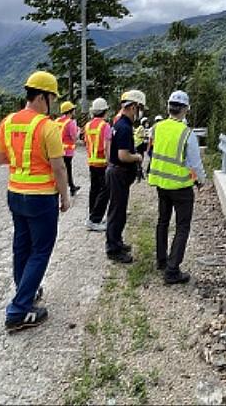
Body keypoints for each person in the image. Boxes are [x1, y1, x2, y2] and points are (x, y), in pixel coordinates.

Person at [0, 71, 73, 332]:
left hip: (15, 193)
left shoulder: (7, 122)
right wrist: (65, 196)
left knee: (22, 245)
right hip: (41, 197)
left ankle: (24, 292)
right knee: (40, 250)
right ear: (42, 97)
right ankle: (18, 311)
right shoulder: (46, 126)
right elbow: (59, 168)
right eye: (52, 97)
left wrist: (21, 161)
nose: (52, 103)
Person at [147, 90, 206, 285]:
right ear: (186, 109)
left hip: (161, 185)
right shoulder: (187, 134)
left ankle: (162, 260)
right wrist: (202, 180)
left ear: (168, 108)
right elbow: (195, 164)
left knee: (162, 221)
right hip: (181, 187)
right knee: (182, 226)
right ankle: (172, 271)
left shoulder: (157, 127)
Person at [105, 89, 146, 264]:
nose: (140, 112)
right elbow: (123, 155)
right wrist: (137, 157)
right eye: (139, 108)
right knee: (117, 211)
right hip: (119, 173)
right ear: (133, 107)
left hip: (116, 172)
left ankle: (117, 242)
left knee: (119, 210)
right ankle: (113, 248)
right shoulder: (123, 127)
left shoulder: (119, 124)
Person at [83, 97, 111, 232]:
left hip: (92, 162)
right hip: (102, 163)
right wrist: (110, 161)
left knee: (94, 189)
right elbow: (106, 147)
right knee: (105, 190)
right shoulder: (105, 126)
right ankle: (96, 219)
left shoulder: (87, 125)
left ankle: (91, 215)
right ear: (105, 111)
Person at [57, 101, 81, 196]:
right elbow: (74, 137)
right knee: (68, 170)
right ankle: (70, 188)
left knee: (60, 170)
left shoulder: (57, 121)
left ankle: (70, 186)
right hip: (67, 152)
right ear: (70, 111)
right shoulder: (70, 123)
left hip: (58, 150)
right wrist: (78, 131)